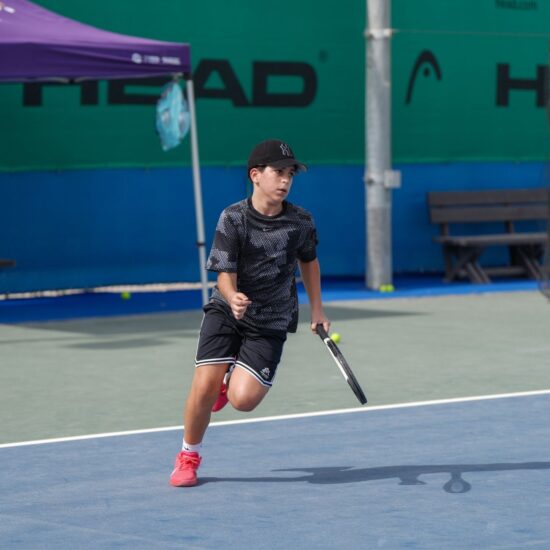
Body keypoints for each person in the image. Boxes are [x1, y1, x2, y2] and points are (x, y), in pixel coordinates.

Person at [170, 138, 330, 487]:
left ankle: (231, 383)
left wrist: (317, 309)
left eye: (290, 174)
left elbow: (309, 263)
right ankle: (188, 455)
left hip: (272, 319)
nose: (285, 180)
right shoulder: (233, 218)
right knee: (203, 386)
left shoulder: (301, 221)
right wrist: (233, 296)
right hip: (228, 311)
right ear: (256, 175)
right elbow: (224, 274)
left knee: (243, 400)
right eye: (278, 173)